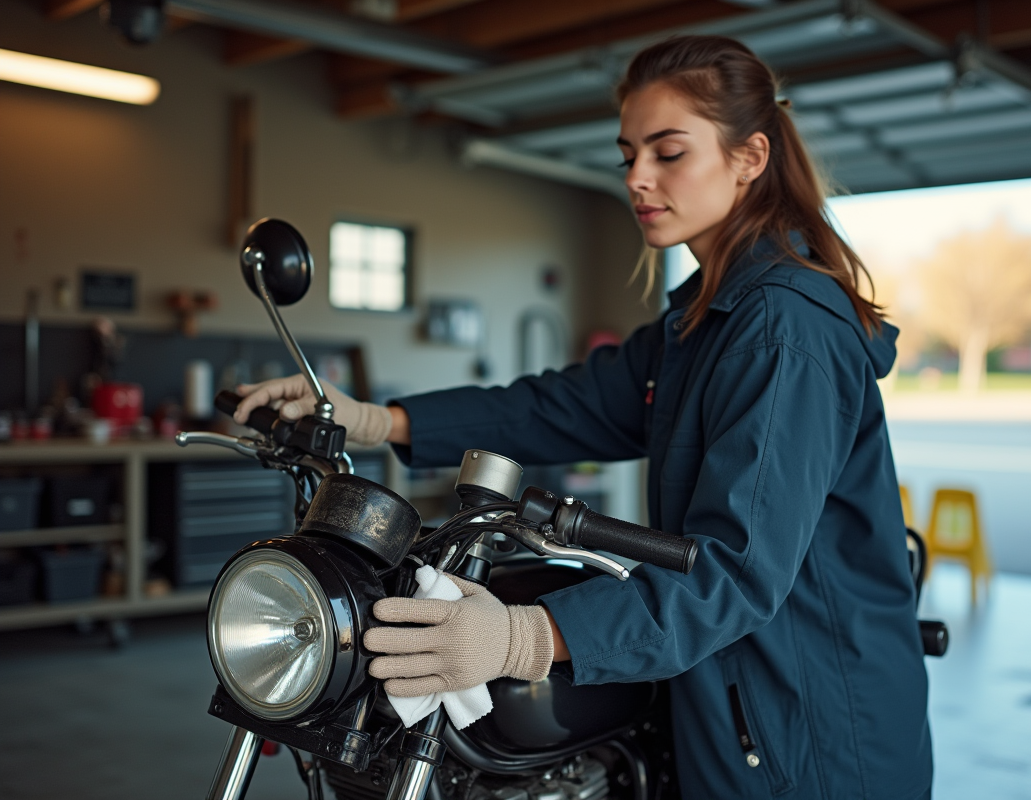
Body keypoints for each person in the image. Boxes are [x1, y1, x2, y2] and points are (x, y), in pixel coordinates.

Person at [236, 35, 932, 800]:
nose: (638, 178)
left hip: (808, 728)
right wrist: (375, 419)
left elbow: (732, 569)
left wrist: (529, 636)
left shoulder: (782, 329)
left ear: (750, 157)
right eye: (629, 153)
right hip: (730, 700)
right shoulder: (702, 321)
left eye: (669, 152)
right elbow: (556, 406)